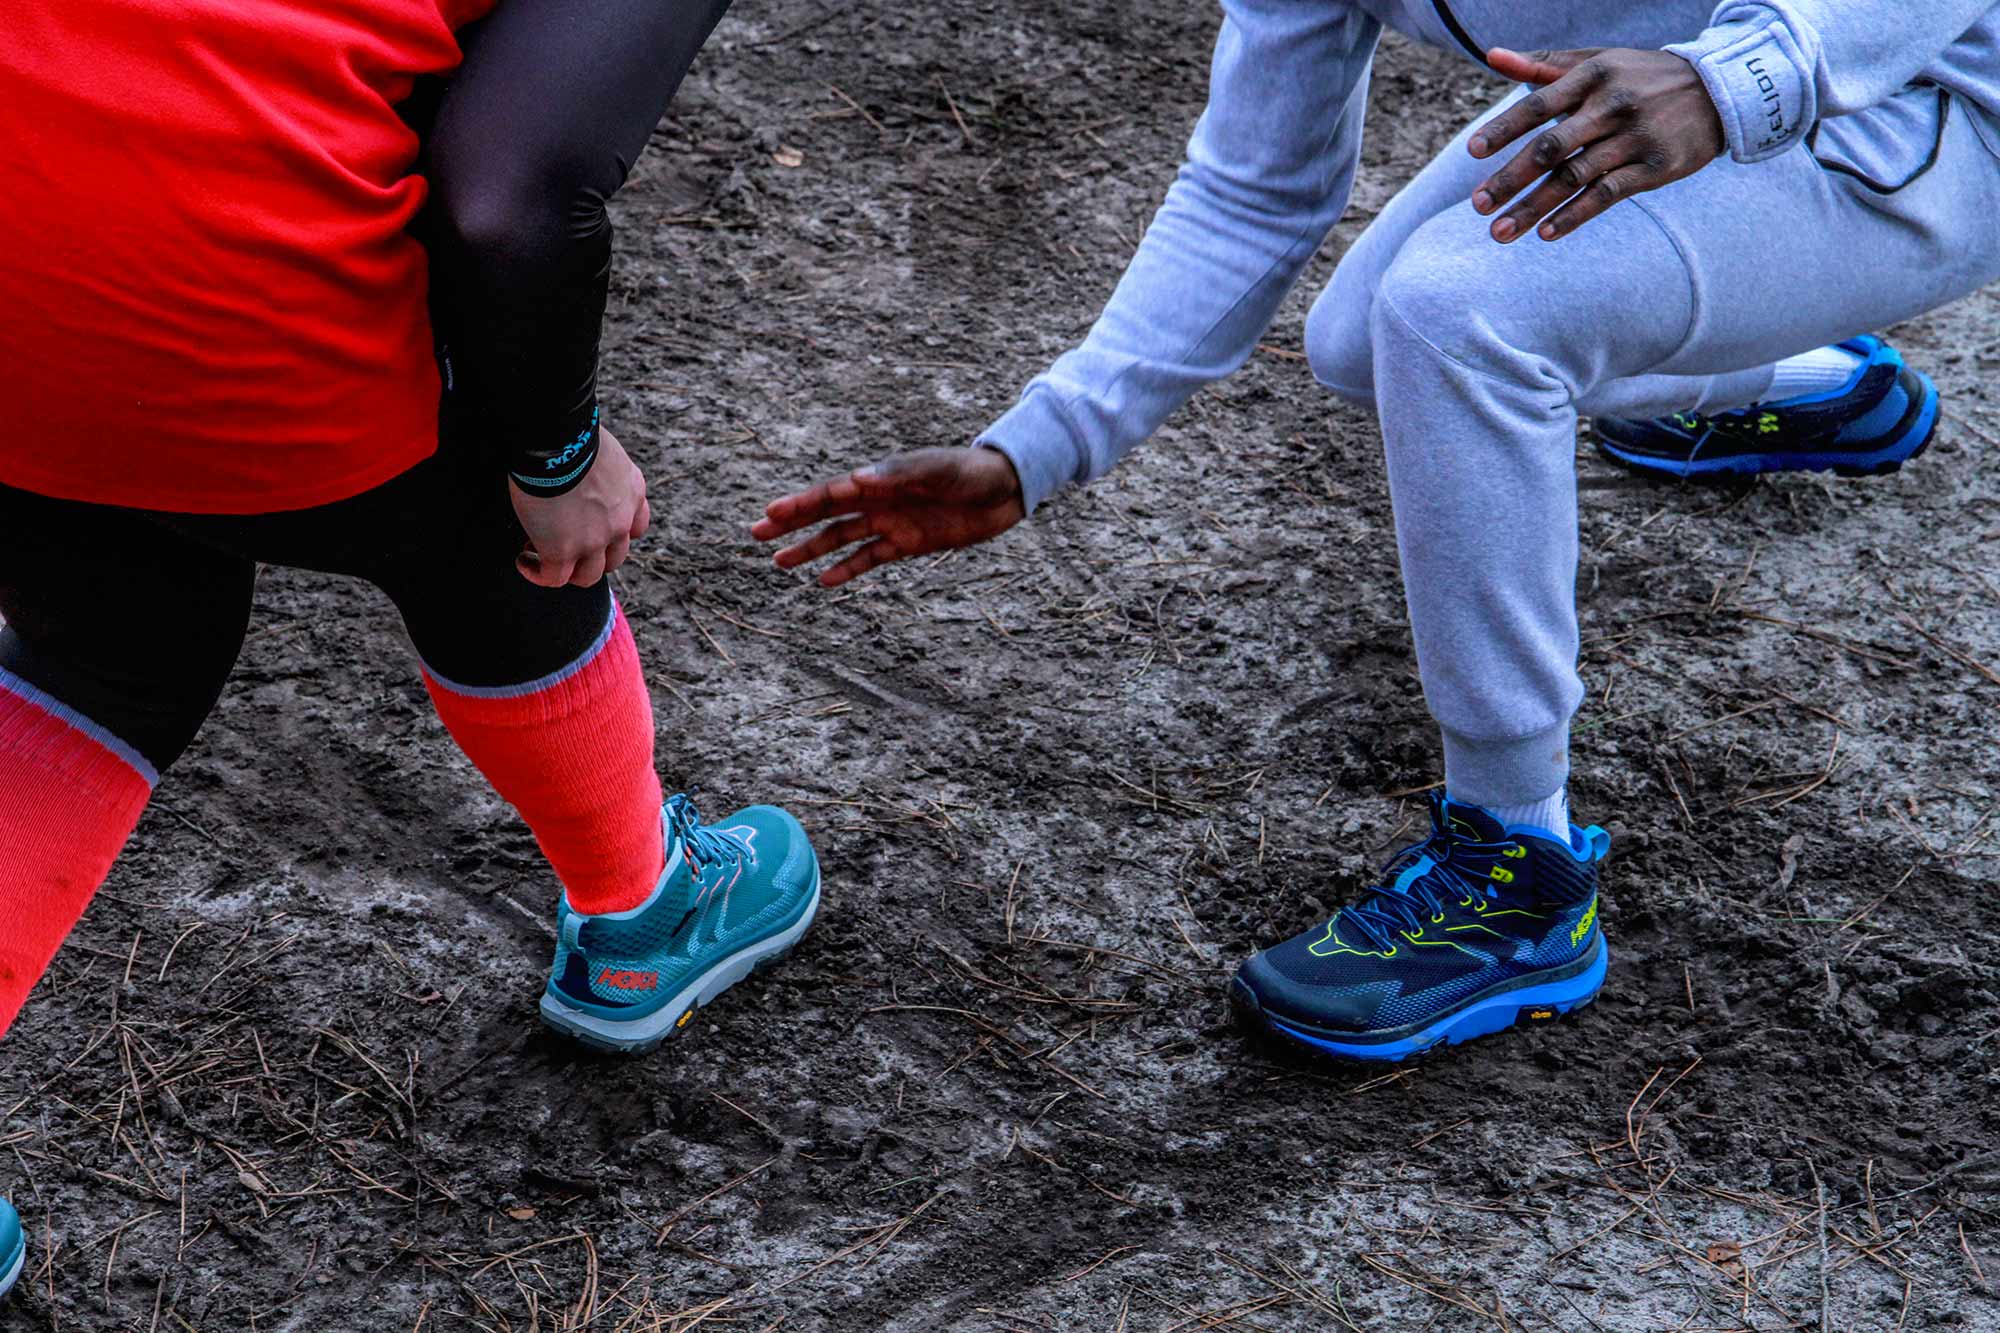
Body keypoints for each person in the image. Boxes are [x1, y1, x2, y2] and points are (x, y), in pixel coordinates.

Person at [754, 2, 2000, 1062]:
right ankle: (1800, 378)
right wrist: (1039, 445)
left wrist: (1744, 75)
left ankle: (1520, 867)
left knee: (1460, 319)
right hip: (1680, 100)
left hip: (1913, 100)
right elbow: (1249, 190)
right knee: (1363, 340)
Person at [0, 0, 822, 1075]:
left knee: (109, 647)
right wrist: (557, 455)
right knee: (493, 528)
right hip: (232, 294)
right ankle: (642, 911)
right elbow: (509, 202)